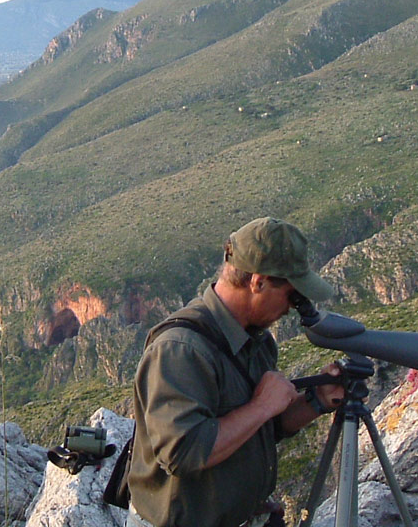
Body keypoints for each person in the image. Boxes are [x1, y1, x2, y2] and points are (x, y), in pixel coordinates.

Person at [128, 217, 345, 527]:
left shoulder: (256, 340)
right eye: (291, 295)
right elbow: (183, 452)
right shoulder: (181, 350)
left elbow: (259, 428)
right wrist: (262, 406)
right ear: (258, 282)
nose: (292, 308)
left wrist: (317, 401)